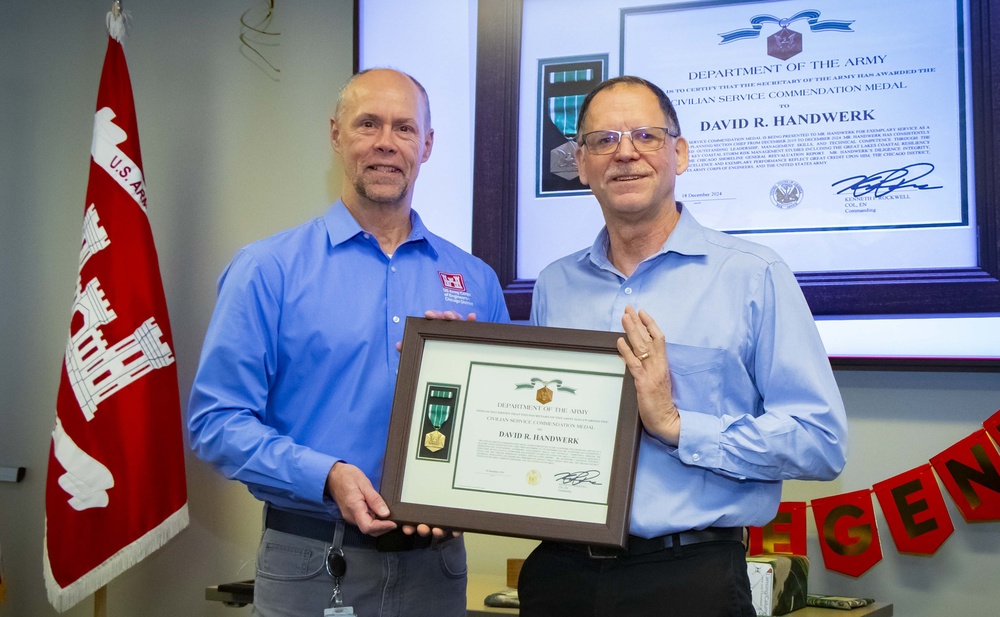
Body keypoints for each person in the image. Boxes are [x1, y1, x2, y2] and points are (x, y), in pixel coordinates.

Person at [518, 75, 848, 617]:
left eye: (645, 135)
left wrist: (675, 423)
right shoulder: (555, 284)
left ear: (680, 153)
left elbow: (821, 441)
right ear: (580, 164)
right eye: (603, 140)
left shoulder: (752, 276)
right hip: (560, 578)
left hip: (687, 580)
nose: (625, 153)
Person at [187, 68, 510, 617]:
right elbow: (215, 423)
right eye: (368, 124)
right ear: (336, 135)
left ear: (427, 145)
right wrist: (326, 474)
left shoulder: (475, 280)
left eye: (405, 128)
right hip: (313, 562)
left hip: (437, 568)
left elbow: (504, 418)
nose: (387, 142)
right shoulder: (268, 270)